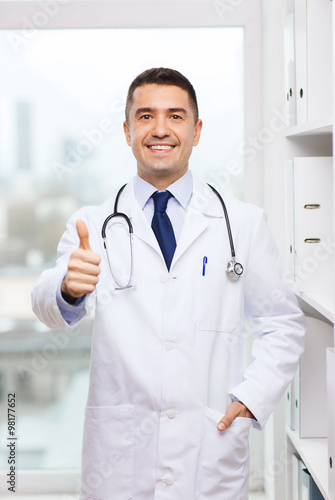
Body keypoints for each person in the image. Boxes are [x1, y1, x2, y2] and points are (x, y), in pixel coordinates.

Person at [32, 67, 306, 500]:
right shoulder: (93, 224)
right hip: (120, 462)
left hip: (209, 457)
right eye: (145, 116)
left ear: (196, 131)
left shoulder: (243, 225)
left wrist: (251, 399)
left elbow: (283, 325)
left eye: (176, 116)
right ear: (126, 131)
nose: (160, 129)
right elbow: (46, 305)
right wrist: (68, 287)